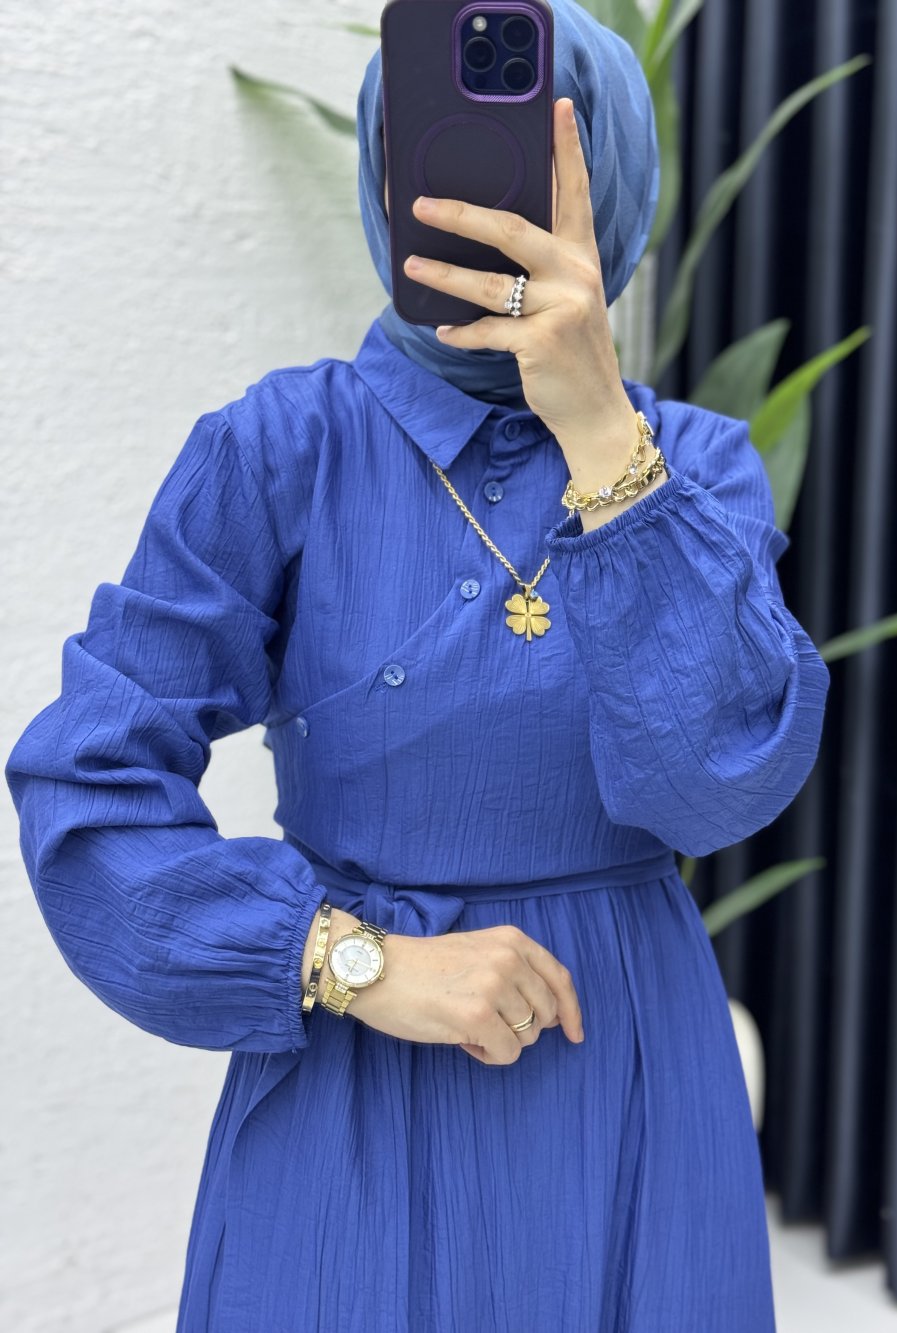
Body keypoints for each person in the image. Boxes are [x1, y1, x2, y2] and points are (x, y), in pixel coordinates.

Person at [5, 2, 831, 1329]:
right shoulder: (281, 450)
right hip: (358, 1081)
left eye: (535, 162)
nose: (477, 201)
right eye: (440, 150)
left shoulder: (693, 468)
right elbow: (86, 778)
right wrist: (358, 962)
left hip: (626, 1073)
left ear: (612, 180)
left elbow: (714, 785)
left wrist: (602, 438)